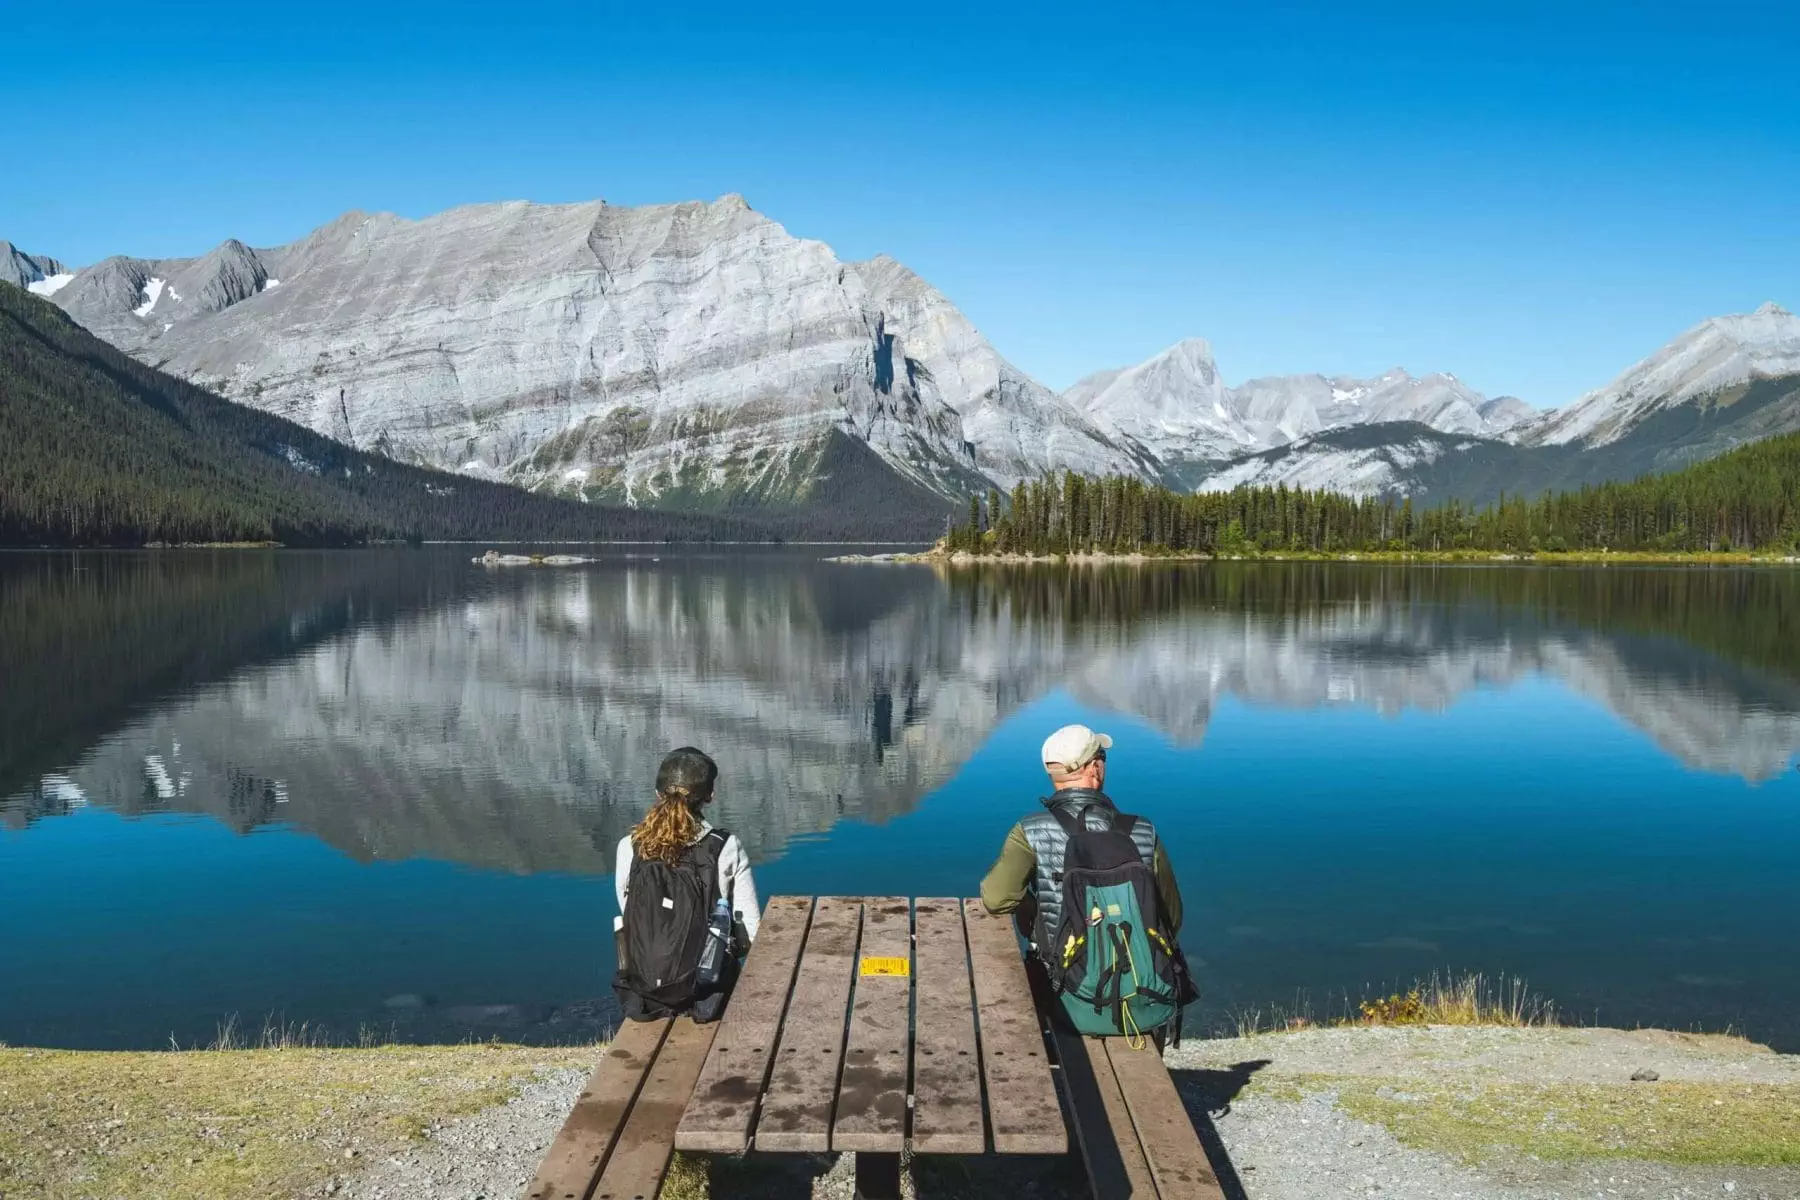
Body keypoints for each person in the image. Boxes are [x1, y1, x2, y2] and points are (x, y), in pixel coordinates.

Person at [980, 724, 1191, 1042]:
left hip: (1064, 997)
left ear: (1053, 773)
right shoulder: (1142, 831)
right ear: (1095, 768)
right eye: (1101, 757)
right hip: (1143, 994)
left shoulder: (1030, 831)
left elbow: (996, 898)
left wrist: (1033, 908)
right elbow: (1172, 917)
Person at [613, 747, 761, 1022]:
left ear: (658, 794)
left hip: (644, 993)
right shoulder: (725, 847)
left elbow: (630, 911)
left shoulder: (629, 847)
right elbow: (750, 932)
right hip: (706, 994)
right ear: (709, 796)